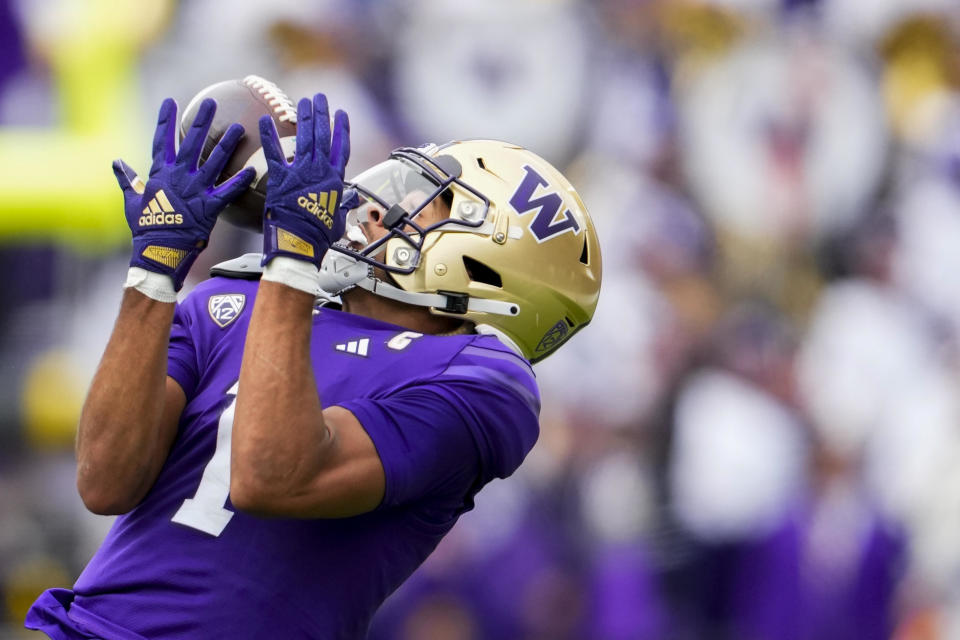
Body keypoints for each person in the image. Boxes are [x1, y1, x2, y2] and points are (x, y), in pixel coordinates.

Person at [24, 92, 602, 639]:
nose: (381, 209)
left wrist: (293, 263)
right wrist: (154, 269)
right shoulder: (235, 300)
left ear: (490, 261)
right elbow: (104, 479)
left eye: (429, 206)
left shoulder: (481, 380)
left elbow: (271, 476)